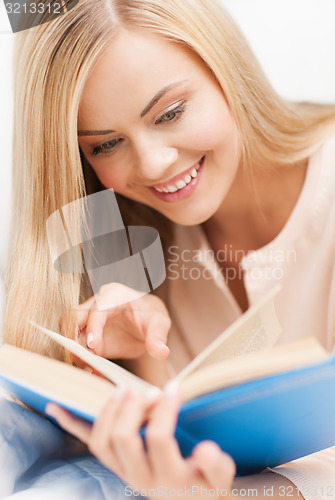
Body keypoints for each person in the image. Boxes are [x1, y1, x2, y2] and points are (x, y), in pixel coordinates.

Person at [4, 0, 335, 498]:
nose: (155, 164)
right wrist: (130, 366)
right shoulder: (118, 237)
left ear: (226, 68)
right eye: (105, 145)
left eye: (171, 112)